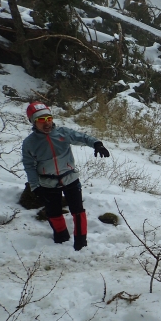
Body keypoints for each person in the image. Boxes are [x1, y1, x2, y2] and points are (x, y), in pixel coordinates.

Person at [22, 102, 110, 251]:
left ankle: (81, 243)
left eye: (49, 118)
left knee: (78, 211)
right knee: (53, 212)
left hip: (70, 179)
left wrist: (97, 144)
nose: (47, 123)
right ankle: (61, 238)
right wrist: (35, 186)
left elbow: (82, 137)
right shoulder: (29, 143)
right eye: (41, 120)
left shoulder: (62, 133)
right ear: (33, 122)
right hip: (48, 183)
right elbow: (29, 166)